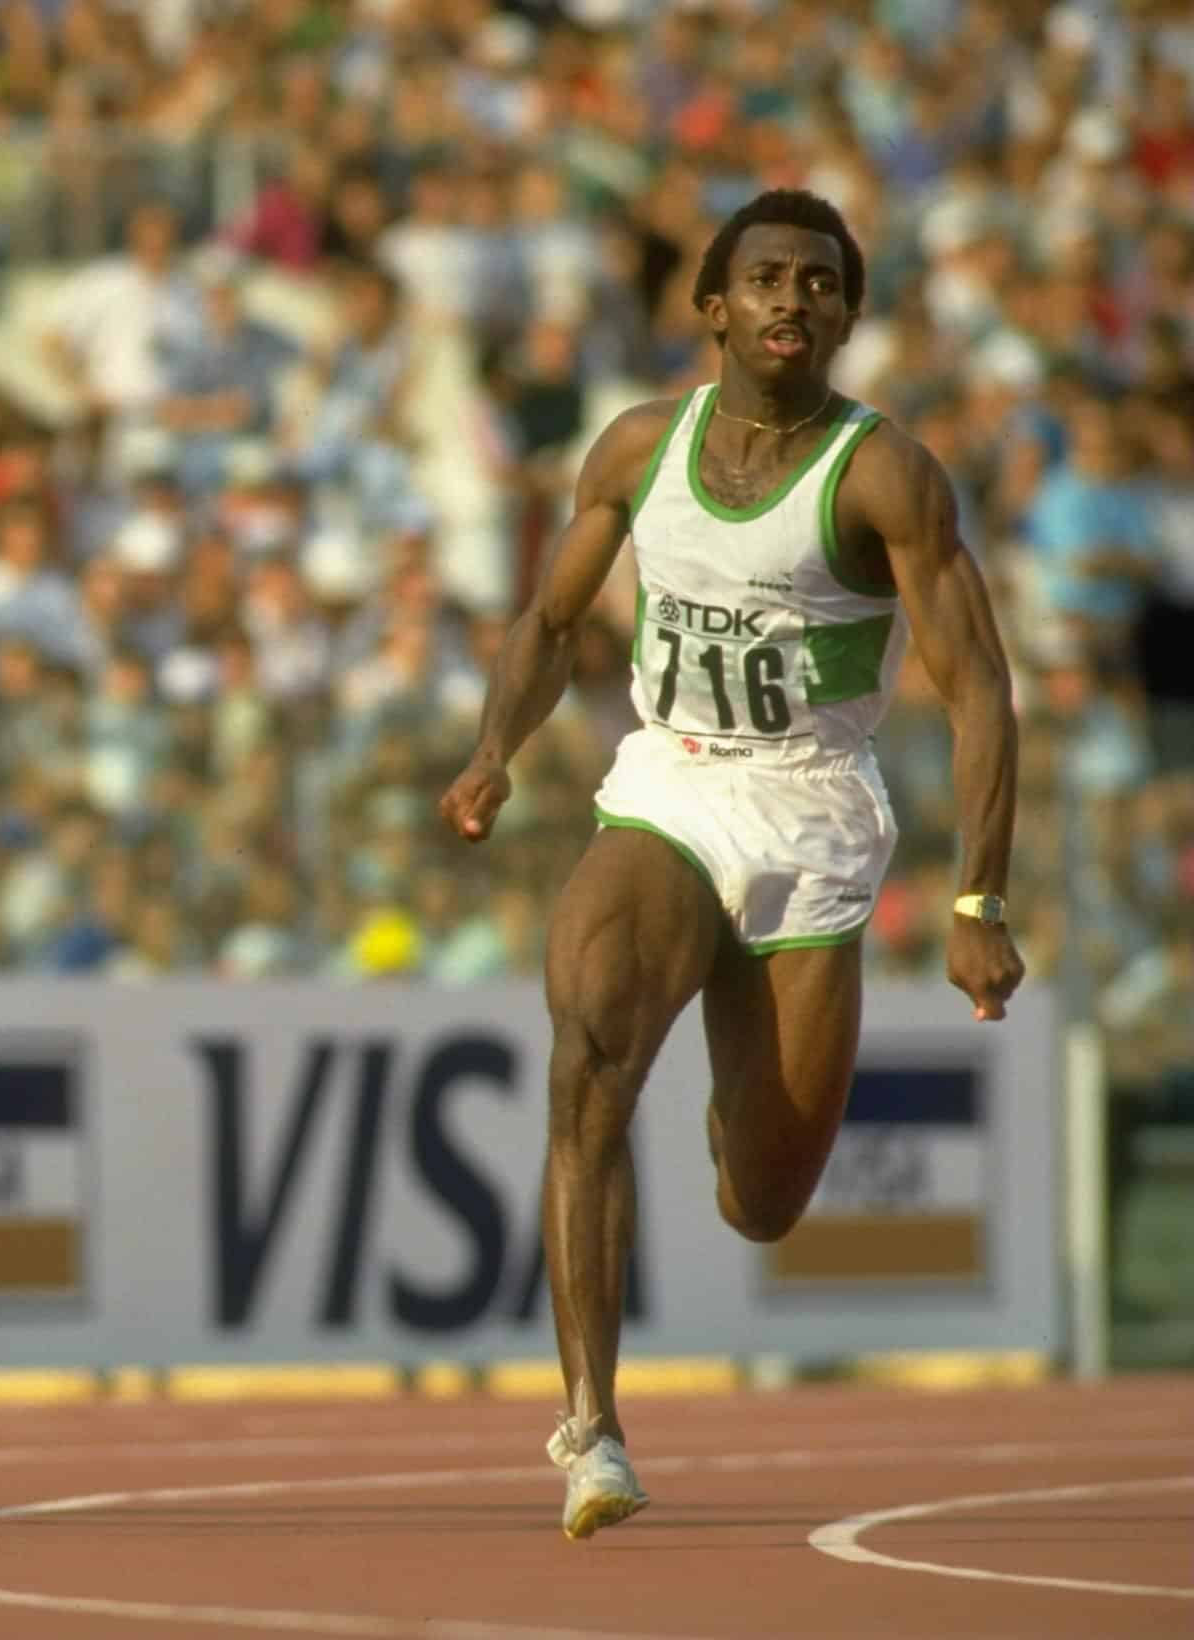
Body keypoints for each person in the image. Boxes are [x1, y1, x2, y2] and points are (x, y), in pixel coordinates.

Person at [435, 190, 1025, 1541]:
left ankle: (733, 1088)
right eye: (763, 279)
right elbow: (548, 614)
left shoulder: (886, 474)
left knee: (763, 1200)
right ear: (713, 307)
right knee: (586, 1049)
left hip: (814, 816)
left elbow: (982, 689)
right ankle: (593, 1429)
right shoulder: (642, 447)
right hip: (671, 782)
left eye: (820, 284)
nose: (790, 301)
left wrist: (982, 897)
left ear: (847, 315)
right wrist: (493, 752)